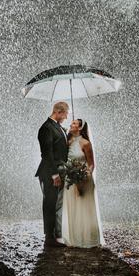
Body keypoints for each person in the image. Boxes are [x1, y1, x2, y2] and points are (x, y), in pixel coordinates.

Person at [61, 118, 104, 248]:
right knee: (73, 208)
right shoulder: (67, 142)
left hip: (84, 179)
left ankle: (88, 239)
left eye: (74, 123)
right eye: (72, 122)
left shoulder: (86, 144)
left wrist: (84, 176)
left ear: (80, 128)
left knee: (85, 209)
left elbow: (91, 164)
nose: (71, 124)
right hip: (70, 180)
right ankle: (75, 239)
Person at [35, 101, 69, 247]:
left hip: (59, 170)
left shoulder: (58, 127)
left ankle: (55, 235)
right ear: (58, 112)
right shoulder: (46, 128)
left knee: (56, 204)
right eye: (66, 113)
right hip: (49, 173)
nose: (67, 117)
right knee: (49, 204)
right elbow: (47, 154)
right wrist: (55, 175)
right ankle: (49, 238)